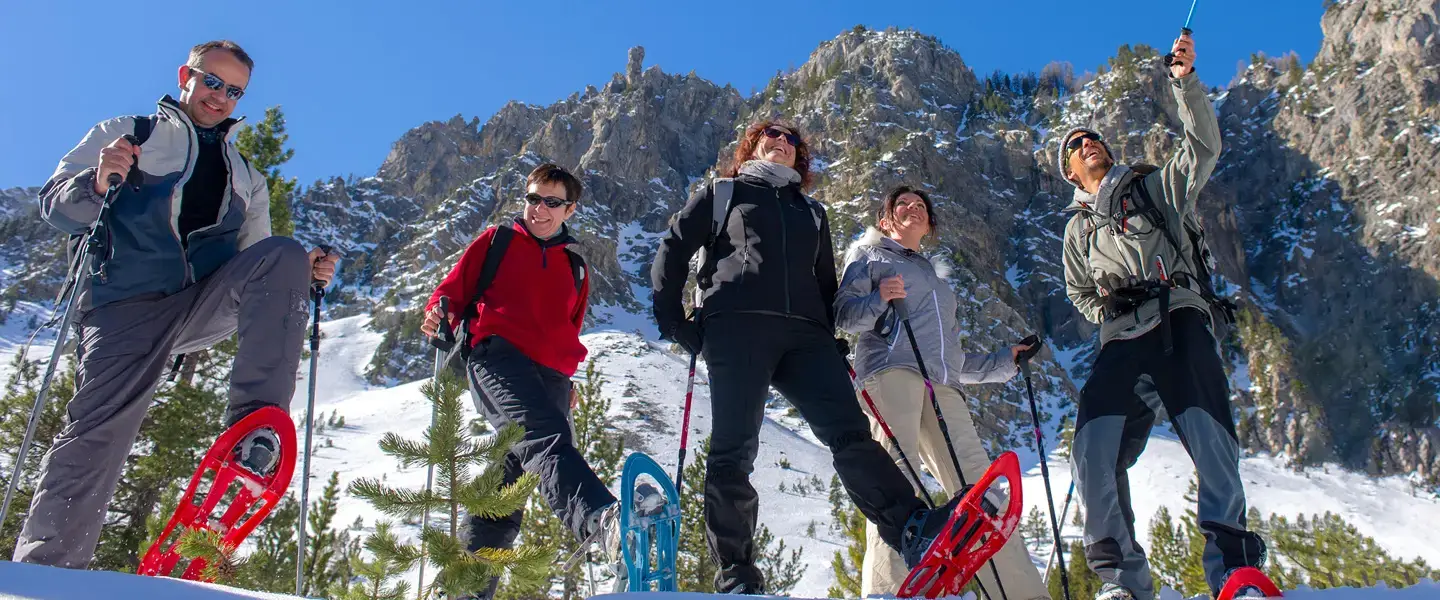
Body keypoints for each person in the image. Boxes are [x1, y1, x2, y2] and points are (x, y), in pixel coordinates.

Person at [15, 40, 338, 568]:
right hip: (123, 308)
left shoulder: (247, 176)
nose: (221, 97)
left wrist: (300, 274)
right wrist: (99, 180)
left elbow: (257, 262)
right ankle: (47, 573)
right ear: (187, 75)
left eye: (234, 91)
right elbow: (56, 206)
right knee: (95, 436)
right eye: (213, 82)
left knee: (283, 253)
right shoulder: (130, 133)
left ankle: (254, 431)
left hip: (197, 306)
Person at [651, 121, 962, 594]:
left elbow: (824, 284)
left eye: (792, 140)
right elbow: (674, 246)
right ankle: (736, 573)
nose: (782, 142)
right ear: (751, 147)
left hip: (808, 338)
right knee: (735, 448)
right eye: (770, 136)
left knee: (851, 434)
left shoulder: (812, 213)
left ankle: (912, 530)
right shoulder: (724, 193)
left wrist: (830, 337)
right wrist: (674, 322)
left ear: (801, 158)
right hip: (738, 326)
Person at [1058, 34, 1267, 600]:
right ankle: (1121, 582)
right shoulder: (1076, 232)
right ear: (1071, 173)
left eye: (1092, 138)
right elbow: (1078, 291)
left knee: (1211, 440)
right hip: (1120, 343)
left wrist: (1184, 82)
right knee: (1092, 448)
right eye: (1076, 146)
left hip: (1180, 322)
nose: (1088, 145)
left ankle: (1234, 574)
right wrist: (1107, 307)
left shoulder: (1153, 187)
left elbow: (1202, 147)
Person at [836, 185, 1050, 600]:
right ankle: (887, 590)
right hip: (890, 373)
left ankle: (1021, 594)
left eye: (920, 206)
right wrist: (880, 298)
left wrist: (1005, 360)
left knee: (980, 492)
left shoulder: (938, 285)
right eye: (902, 205)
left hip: (942, 386)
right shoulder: (868, 256)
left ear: (929, 224)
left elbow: (951, 357)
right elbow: (845, 316)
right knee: (897, 481)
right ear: (885, 221)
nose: (912, 208)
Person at [421, 163, 618, 599]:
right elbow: (451, 291)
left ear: (569, 210)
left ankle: (466, 590)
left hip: (550, 376)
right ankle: (600, 518)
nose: (539, 209)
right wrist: (440, 312)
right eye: (533, 198)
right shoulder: (497, 241)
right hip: (497, 357)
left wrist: (566, 380)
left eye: (552, 202)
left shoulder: (576, 267)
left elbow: (569, 328)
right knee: (544, 439)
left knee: (506, 488)